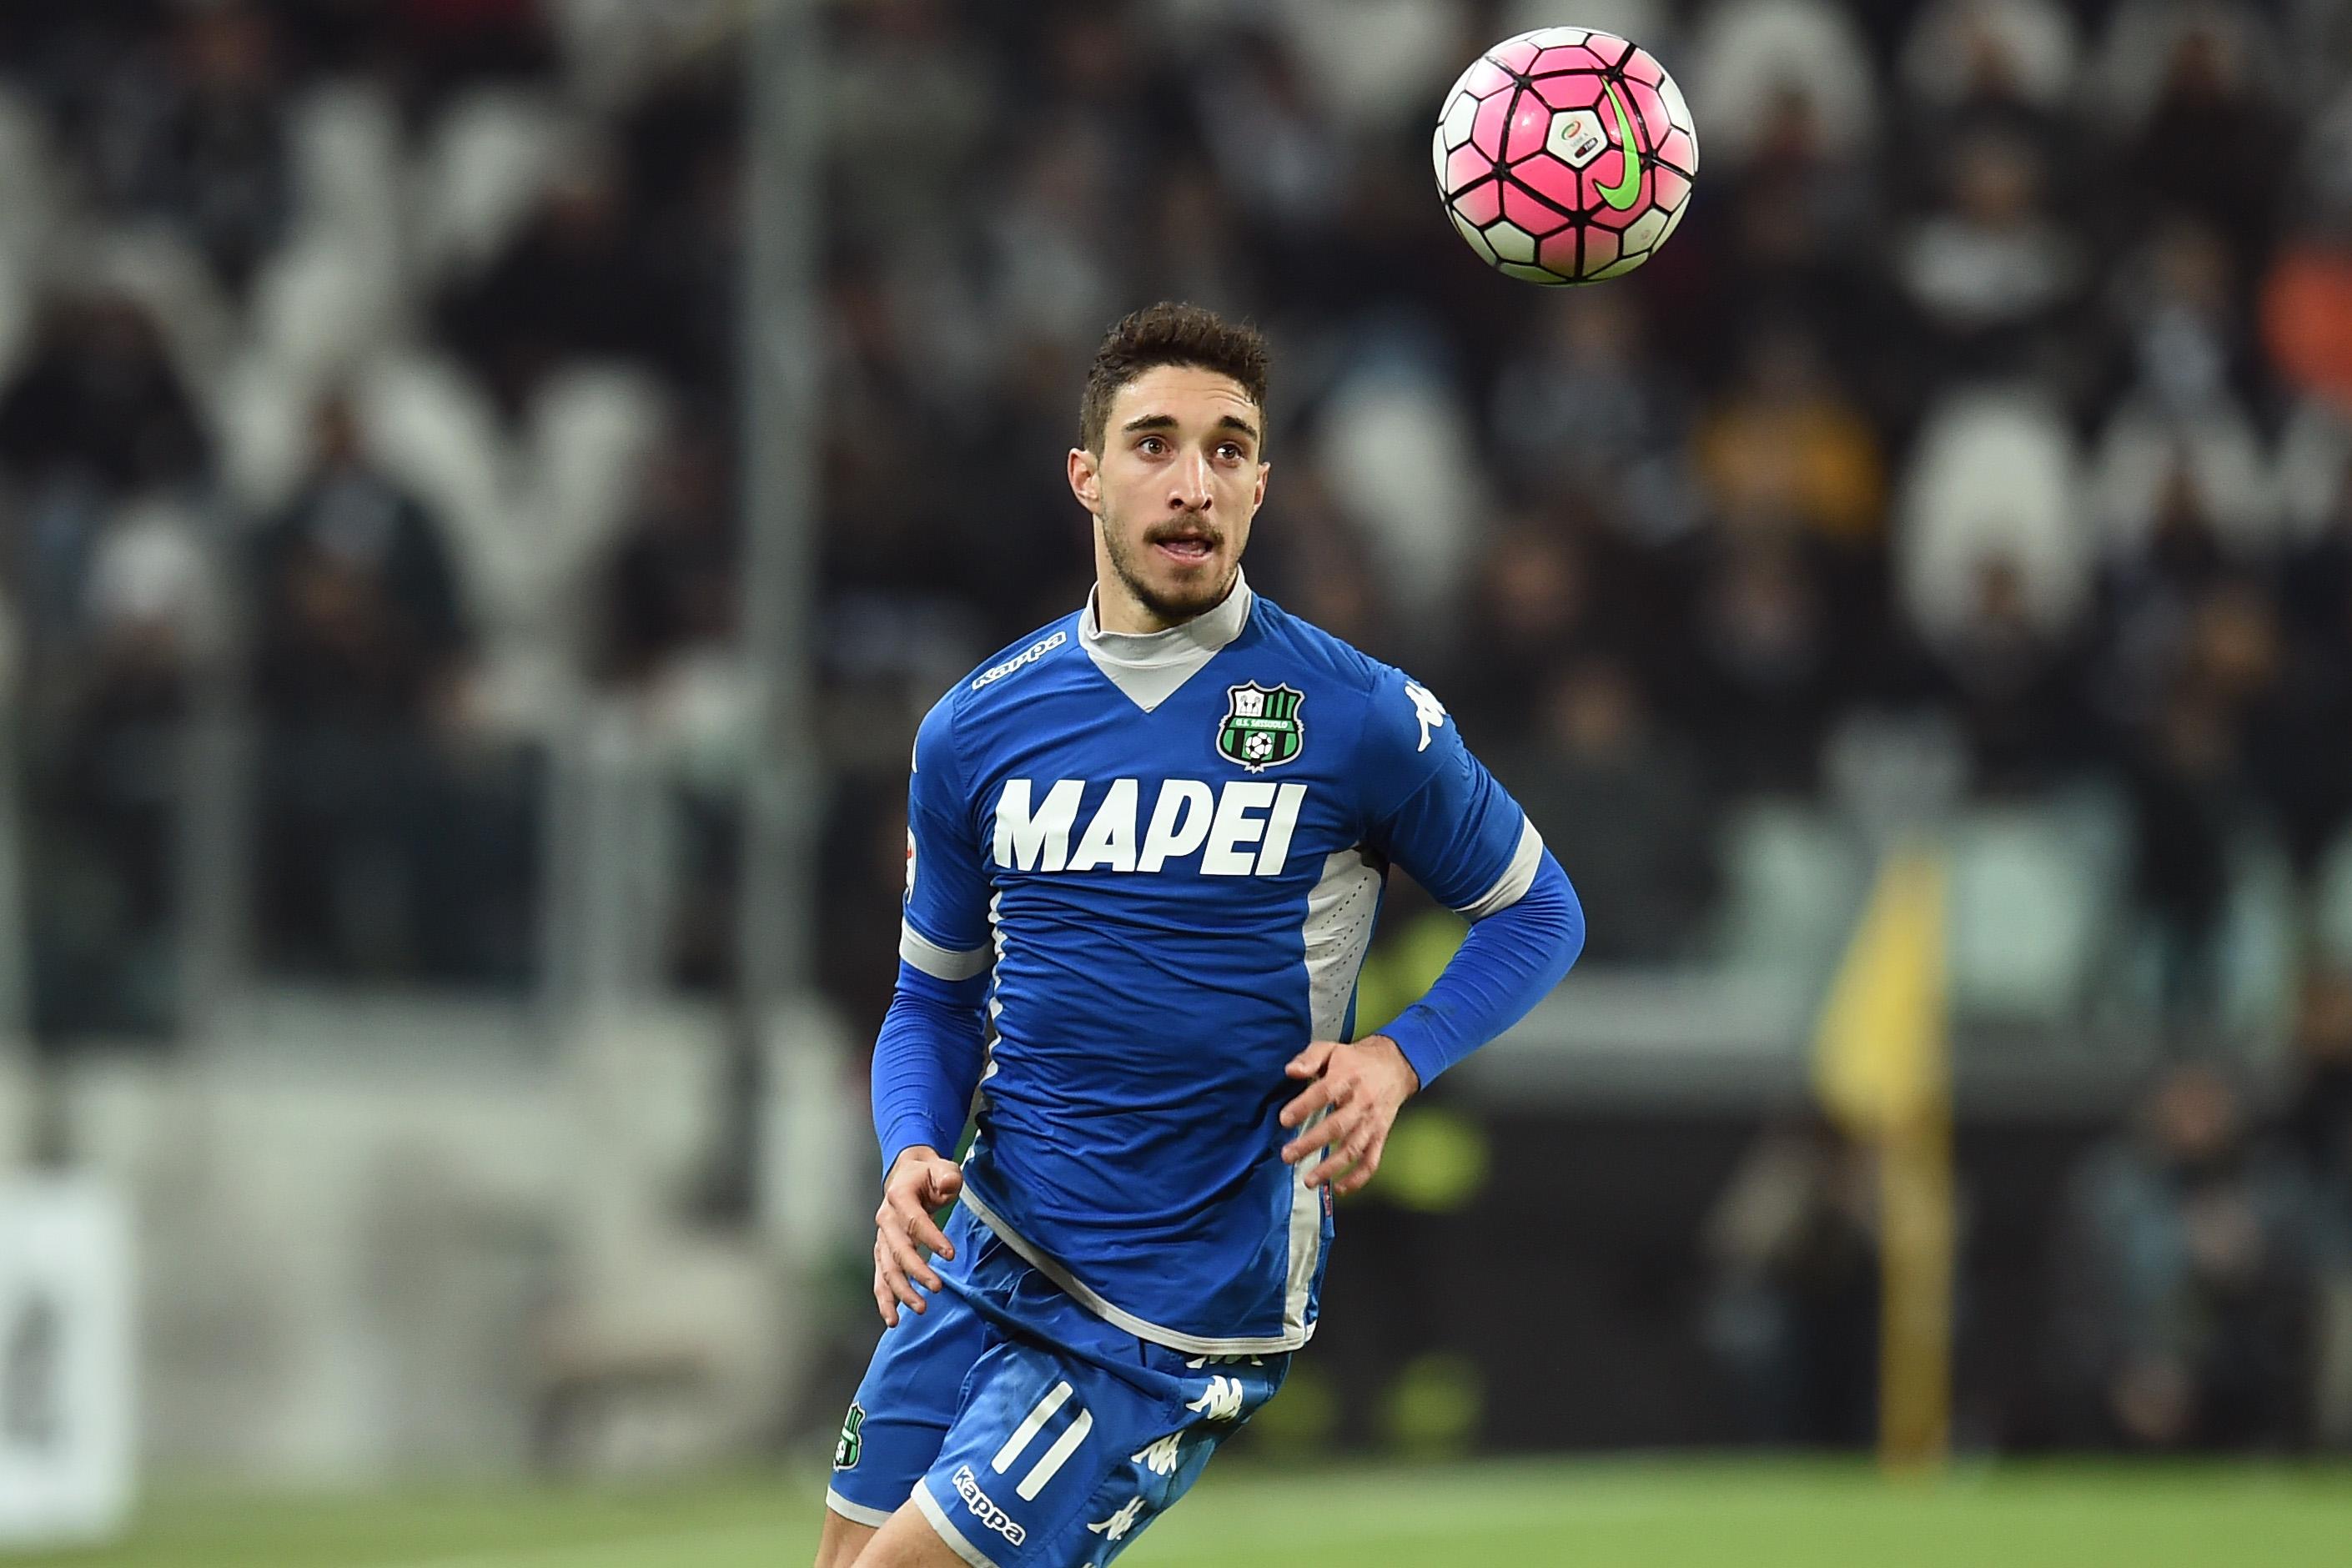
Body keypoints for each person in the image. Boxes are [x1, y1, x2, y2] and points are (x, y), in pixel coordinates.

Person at [815, 304, 1585, 1568]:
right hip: (991, 1247)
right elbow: (931, 1003)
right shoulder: (974, 729)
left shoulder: (1357, 715)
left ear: (1261, 486)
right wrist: (907, 1151)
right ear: (1086, 476)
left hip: (1171, 1302)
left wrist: (1397, 1058)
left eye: (1228, 450)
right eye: (1155, 444)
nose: (1193, 484)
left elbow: (1540, 910)